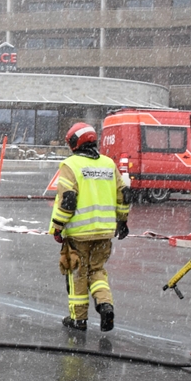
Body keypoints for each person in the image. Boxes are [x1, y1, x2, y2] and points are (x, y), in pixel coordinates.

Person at [49, 122, 131, 333]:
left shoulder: (71, 165)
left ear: (74, 143)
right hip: (104, 232)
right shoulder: (108, 164)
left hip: (78, 234)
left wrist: (57, 227)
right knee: (97, 271)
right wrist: (122, 221)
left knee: (77, 273)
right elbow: (124, 195)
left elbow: (68, 201)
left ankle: (79, 319)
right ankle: (105, 304)